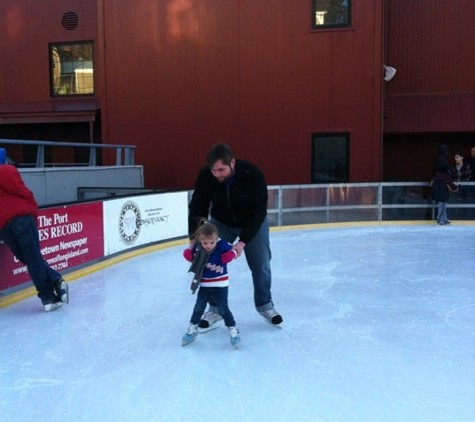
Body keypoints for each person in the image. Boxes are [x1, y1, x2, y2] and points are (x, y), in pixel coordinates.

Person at [187, 142, 283, 330]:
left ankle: (265, 306)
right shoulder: (206, 175)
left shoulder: (252, 174)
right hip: (221, 223)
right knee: (210, 261)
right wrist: (194, 237)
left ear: (232, 162)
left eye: (221, 170)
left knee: (261, 263)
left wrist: (242, 242)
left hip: (252, 222)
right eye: (213, 170)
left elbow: (258, 212)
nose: (217, 175)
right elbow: (198, 206)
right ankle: (214, 309)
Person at [0, 148, 68, 311]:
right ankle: (49, 294)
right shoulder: (6, 170)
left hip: (3, 226)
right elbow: (22, 191)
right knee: (33, 258)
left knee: (30, 259)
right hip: (20, 219)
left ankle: (54, 285)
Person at [182, 220, 240, 348]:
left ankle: (233, 330)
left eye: (212, 242)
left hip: (220, 285)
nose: (208, 246)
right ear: (200, 240)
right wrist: (189, 253)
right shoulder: (198, 246)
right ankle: (192, 330)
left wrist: (231, 254)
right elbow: (193, 255)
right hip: (204, 285)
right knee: (198, 308)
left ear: (216, 238)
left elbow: (236, 250)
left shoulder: (222, 244)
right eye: (205, 243)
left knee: (223, 309)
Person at [431, 144, 458, 226]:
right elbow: (447, 169)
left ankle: (444, 217)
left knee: (443, 202)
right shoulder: (441, 161)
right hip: (441, 184)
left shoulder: (439, 160)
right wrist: (450, 170)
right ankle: (440, 219)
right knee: (442, 202)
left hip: (441, 184)